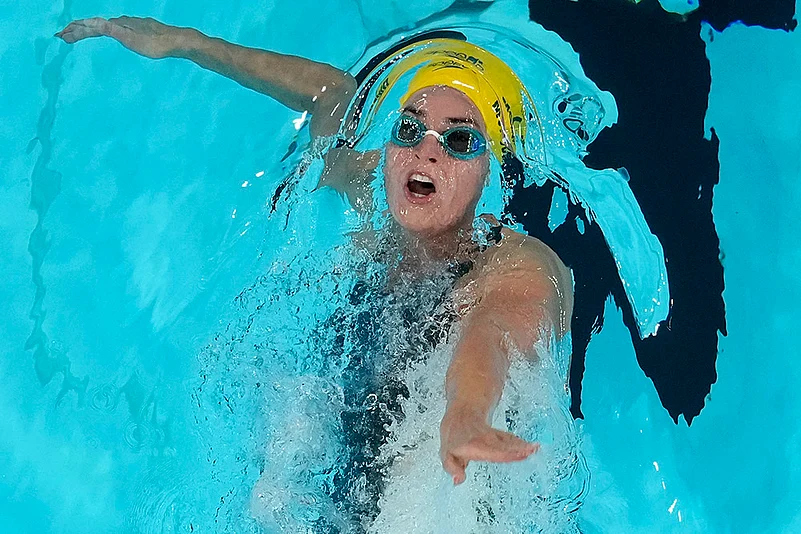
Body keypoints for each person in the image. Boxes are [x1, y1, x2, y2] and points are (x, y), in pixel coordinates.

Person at [56, 16, 573, 489]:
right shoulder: (372, 199)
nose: (426, 150)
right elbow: (332, 96)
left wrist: (466, 413)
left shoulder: (518, 265)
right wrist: (188, 43)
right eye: (410, 128)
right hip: (333, 433)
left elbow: (495, 332)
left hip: (436, 460)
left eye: (459, 140)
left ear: (491, 170)